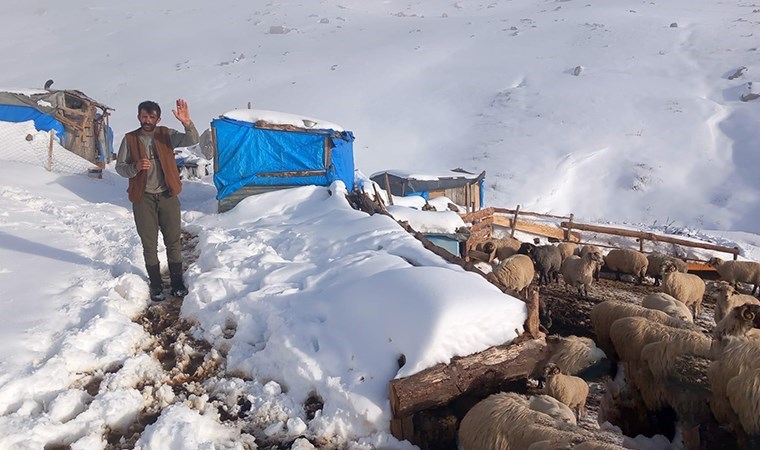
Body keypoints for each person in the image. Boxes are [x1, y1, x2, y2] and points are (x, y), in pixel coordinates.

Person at [115, 99, 199, 301]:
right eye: (144, 116)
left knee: (173, 241)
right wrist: (135, 166)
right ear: (139, 117)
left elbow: (192, 139)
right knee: (149, 244)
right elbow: (120, 167)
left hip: (167, 196)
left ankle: (177, 283)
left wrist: (187, 122)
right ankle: (156, 285)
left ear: (158, 119)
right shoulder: (130, 139)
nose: (147, 120)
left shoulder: (166, 135)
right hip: (142, 198)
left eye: (152, 117)